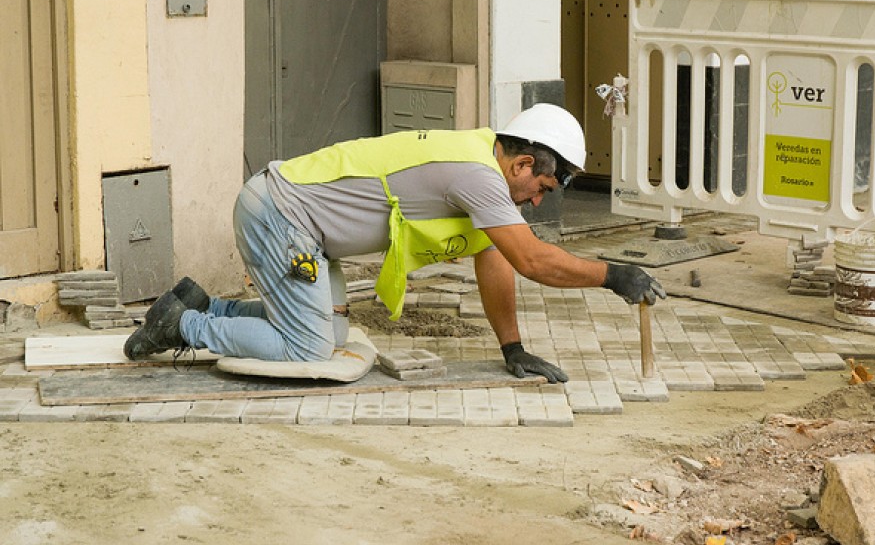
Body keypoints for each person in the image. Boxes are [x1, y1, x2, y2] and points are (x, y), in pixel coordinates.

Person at [124, 103, 666, 382]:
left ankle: (203, 303)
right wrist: (612, 274)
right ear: (523, 163)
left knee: (331, 332)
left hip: (295, 224)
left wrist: (512, 348)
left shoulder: (481, 160)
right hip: (280, 216)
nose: (538, 202)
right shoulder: (478, 174)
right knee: (308, 349)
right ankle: (181, 326)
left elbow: (496, 257)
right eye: (541, 188)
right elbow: (530, 259)